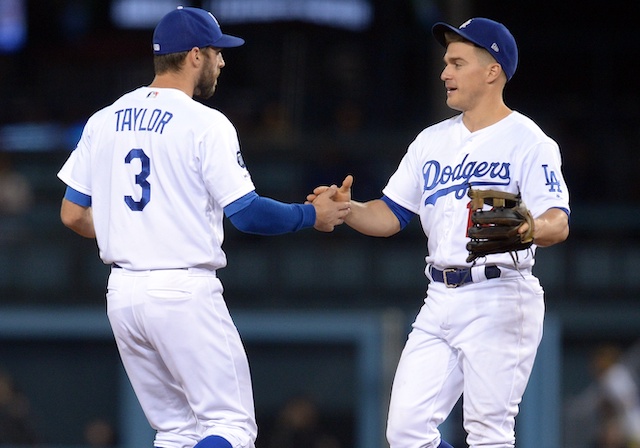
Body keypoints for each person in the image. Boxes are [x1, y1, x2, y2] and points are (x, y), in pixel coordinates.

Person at [57, 7, 350, 448]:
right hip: (181, 290)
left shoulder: (104, 120)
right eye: (217, 52)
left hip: (123, 295)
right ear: (195, 55)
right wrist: (312, 215)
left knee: (176, 431)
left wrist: (135, 230)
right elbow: (247, 213)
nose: (222, 61)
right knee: (231, 426)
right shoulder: (204, 123)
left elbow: (72, 214)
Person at [308, 17, 570, 448]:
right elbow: (390, 214)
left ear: (492, 71)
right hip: (439, 296)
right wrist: (348, 210)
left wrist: (530, 227)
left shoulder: (529, 141)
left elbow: (558, 222)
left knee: (489, 435)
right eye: (446, 62)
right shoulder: (431, 140)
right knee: (406, 433)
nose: (444, 73)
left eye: (457, 62)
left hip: (500, 292)